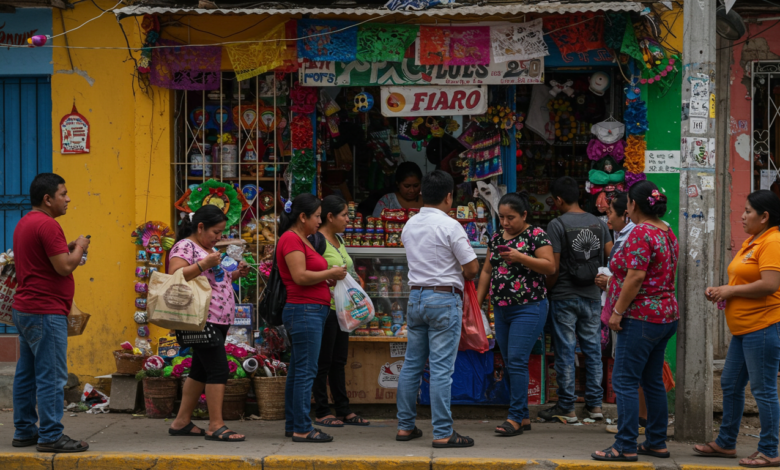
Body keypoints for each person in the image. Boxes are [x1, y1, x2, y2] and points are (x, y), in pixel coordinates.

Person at [591, 181, 679, 462]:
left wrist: (617, 311)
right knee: (651, 380)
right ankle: (656, 441)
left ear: (633, 206)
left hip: (641, 316)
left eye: (627, 202)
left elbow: (636, 276)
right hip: (665, 315)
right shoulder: (665, 230)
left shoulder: (641, 232)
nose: (626, 206)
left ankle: (625, 445)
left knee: (625, 381)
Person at [694, 190, 780, 467]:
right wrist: (723, 291)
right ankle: (726, 443)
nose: (742, 216)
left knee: (763, 389)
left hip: (763, 326)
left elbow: (770, 285)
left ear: (764, 217)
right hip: (744, 330)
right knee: (730, 383)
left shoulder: (773, 241)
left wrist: (729, 290)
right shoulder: (754, 242)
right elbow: (745, 281)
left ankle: (769, 449)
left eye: (748, 211)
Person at [395, 170, 480, 448]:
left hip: (416, 298)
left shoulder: (409, 225)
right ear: (448, 197)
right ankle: (443, 432)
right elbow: (472, 269)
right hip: (443, 300)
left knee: (412, 366)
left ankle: (405, 427)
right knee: (442, 369)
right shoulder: (451, 226)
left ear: (422, 194)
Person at [11, 173, 91, 453]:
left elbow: (47, 259)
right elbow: (65, 267)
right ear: (48, 199)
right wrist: (80, 246)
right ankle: (50, 435)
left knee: (27, 374)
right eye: (63, 193)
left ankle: (24, 430)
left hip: (26, 309)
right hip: (44, 312)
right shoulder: (48, 225)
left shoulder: (25, 222)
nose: (68, 199)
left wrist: (68, 250)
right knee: (52, 376)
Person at [168, 205, 251, 442]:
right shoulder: (185, 246)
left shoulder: (209, 248)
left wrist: (236, 274)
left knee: (201, 370)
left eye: (222, 232)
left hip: (218, 318)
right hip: (201, 318)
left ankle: (181, 422)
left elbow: (213, 280)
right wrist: (204, 263)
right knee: (218, 369)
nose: (219, 237)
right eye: (216, 232)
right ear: (200, 226)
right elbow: (176, 275)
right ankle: (216, 425)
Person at [476, 192, 555, 437]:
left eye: (511, 217)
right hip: (501, 309)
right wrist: (477, 306)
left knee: (518, 360)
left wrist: (521, 257)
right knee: (510, 362)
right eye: (501, 217)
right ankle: (522, 415)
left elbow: (550, 267)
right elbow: (487, 271)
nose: (505, 222)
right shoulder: (497, 237)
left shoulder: (536, 235)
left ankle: (515, 417)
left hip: (529, 308)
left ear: (524, 215)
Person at [540, 176, 613, 424]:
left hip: (564, 295)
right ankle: (595, 406)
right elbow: (611, 258)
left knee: (565, 351)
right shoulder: (599, 224)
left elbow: (553, 266)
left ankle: (567, 407)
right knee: (593, 350)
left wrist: (548, 289)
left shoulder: (557, 224)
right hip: (592, 295)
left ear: (559, 200)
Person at [277, 193, 347, 443]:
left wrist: (325, 278)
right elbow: (299, 277)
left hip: (310, 310)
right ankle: (303, 428)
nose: (320, 220)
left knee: (298, 371)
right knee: (306, 371)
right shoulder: (291, 240)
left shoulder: (302, 239)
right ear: (302, 216)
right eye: (317, 216)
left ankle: (294, 424)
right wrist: (330, 272)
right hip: (304, 310)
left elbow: (309, 274)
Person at [309, 195, 370, 428]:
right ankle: (323, 410)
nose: (348, 219)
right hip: (325, 308)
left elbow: (348, 272)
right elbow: (308, 272)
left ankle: (343, 409)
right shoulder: (316, 241)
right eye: (344, 215)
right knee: (323, 362)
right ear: (330, 216)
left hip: (343, 310)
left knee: (338, 361)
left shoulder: (338, 240)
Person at [594, 194, 644, 436]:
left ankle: (632, 428)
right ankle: (642, 424)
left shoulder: (636, 235)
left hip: (631, 312)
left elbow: (635, 277)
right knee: (641, 373)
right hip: (630, 309)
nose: (607, 218)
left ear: (627, 212)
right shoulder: (624, 234)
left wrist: (616, 308)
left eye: (610, 213)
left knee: (628, 375)